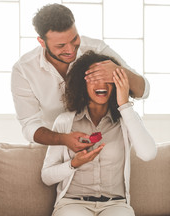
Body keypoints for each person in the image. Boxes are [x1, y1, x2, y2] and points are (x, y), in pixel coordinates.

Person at [41, 51, 156, 216]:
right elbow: (46, 176)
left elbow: (148, 153)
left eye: (107, 78)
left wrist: (124, 103)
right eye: (93, 78)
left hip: (116, 205)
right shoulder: (65, 122)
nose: (101, 84)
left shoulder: (126, 121)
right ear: (81, 84)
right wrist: (74, 164)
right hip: (72, 205)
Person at [11, 3, 150, 152]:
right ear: (42, 42)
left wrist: (120, 72)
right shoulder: (24, 70)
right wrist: (62, 139)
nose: (71, 50)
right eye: (61, 45)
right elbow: (29, 125)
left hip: (104, 143)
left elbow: (144, 91)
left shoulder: (96, 49)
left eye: (74, 39)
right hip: (53, 148)